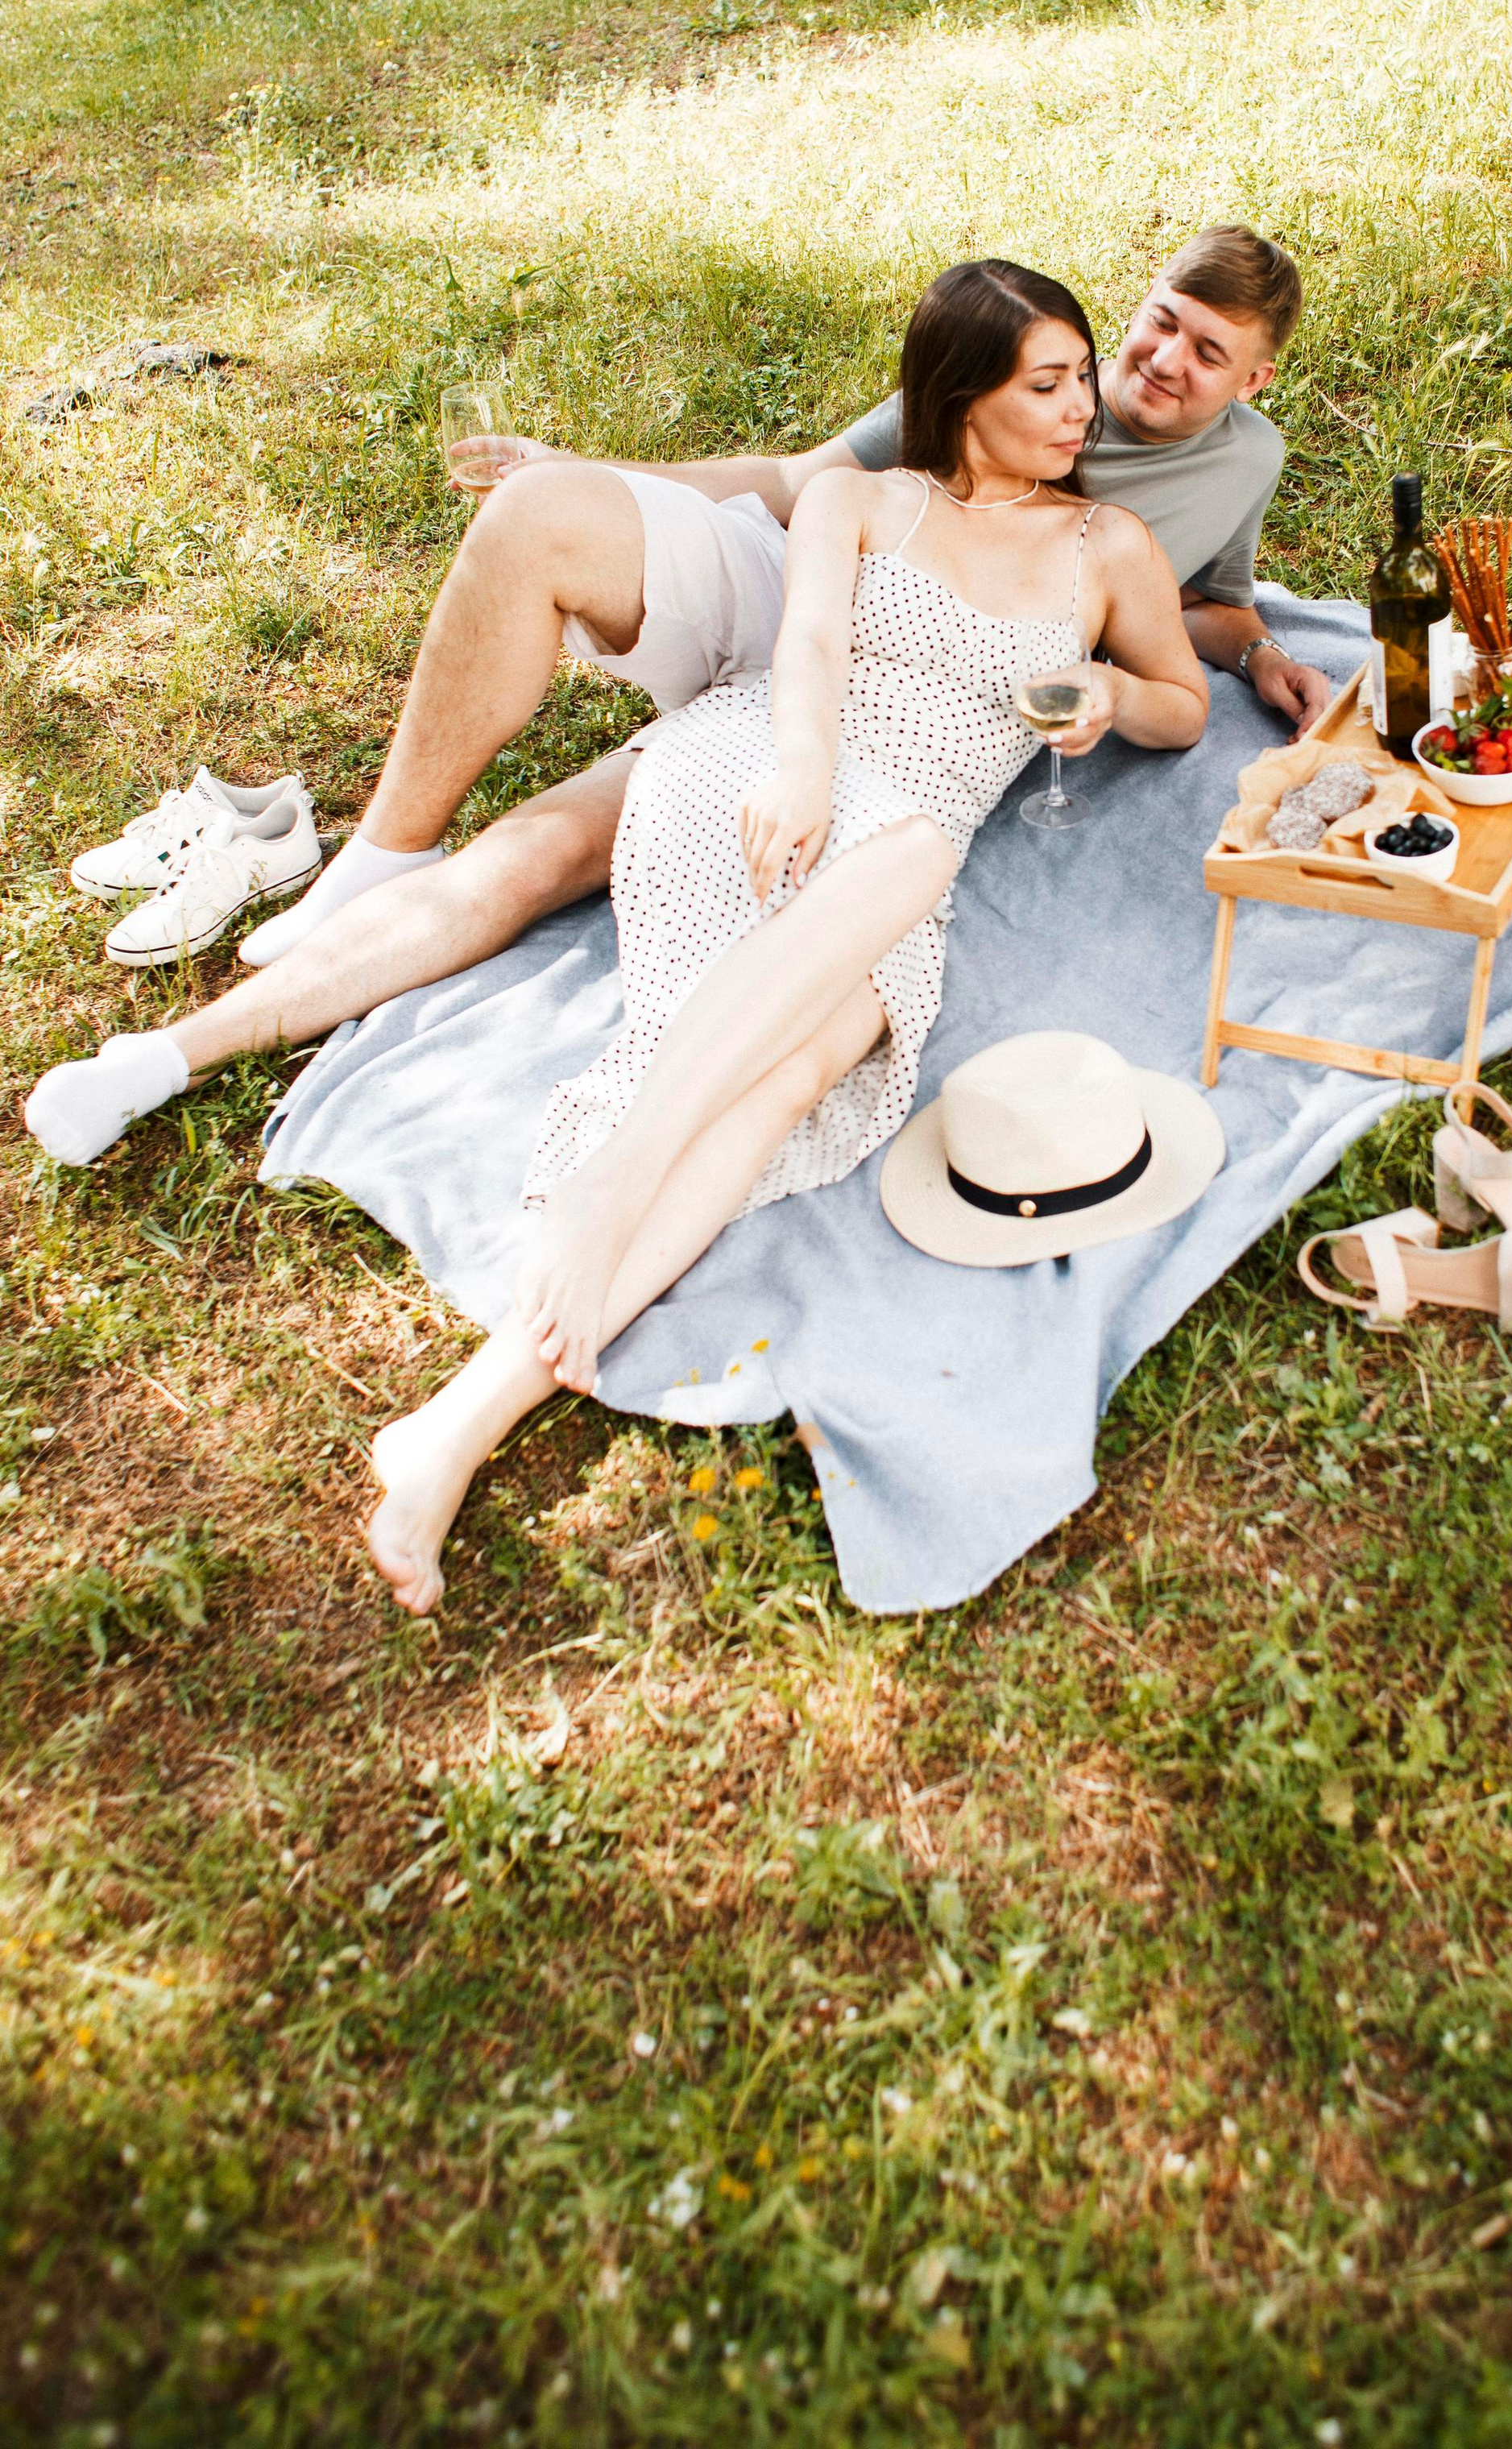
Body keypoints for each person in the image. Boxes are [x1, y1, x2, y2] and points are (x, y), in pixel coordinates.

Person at [24, 228, 1327, 1168]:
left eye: (1207, 354)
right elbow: (798, 488)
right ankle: (179, 1044)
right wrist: (604, 477)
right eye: (1155, 322)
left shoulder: (1174, 508)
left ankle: (598, 1191)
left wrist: (1242, 652)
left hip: (915, 778)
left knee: (755, 1012)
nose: (1153, 366)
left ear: (1251, 384)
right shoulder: (999, 390)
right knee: (532, 851)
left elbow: (1202, 624)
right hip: (807, 649)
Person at [359, 261, 1208, 1612]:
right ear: (964, 394)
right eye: (1048, 384)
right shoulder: (864, 500)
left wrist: (1110, 691)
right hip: (766, 790)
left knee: (805, 1068)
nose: (1084, 406)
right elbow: (805, 647)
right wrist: (802, 769)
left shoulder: (1107, 549)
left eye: (1083, 375)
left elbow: (1186, 704)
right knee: (889, 888)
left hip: (896, 855)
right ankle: (599, 1214)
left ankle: (461, 1418)